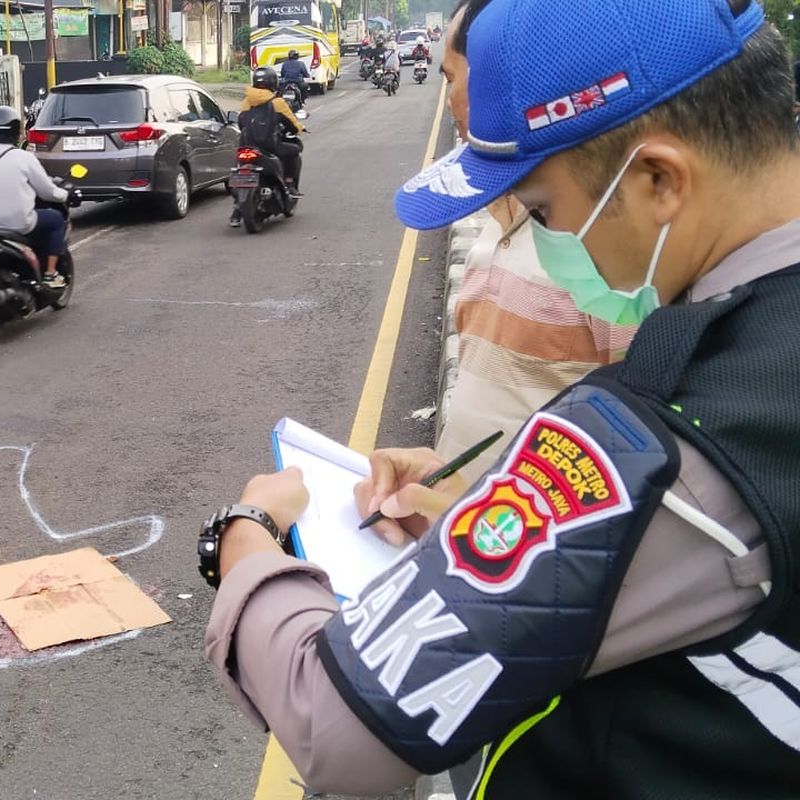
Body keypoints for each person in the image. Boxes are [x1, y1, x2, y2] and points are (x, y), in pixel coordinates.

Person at [203, 0, 800, 797]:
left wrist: (247, 540)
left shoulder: (668, 450)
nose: (548, 237)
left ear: (659, 180)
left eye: (547, 209)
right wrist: (478, 507)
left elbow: (338, 726)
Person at [435, 0, 636, 485]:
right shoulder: (499, 213)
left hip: (531, 543)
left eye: (450, 78)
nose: (447, 102)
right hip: (464, 526)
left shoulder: (598, 245)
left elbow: (631, 440)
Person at [0, 106, 71, 289]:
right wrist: (64, 194)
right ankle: (50, 274)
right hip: (20, 223)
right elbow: (47, 191)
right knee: (56, 220)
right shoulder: (24, 158)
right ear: (17, 132)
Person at [229, 66, 305, 227]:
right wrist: (299, 128)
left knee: (237, 167)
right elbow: (292, 123)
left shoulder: (246, 101)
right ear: (273, 82)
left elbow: (240, 123)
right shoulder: (277, 102)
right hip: (270, 147)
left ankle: (237, 209)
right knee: (295, 151)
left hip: (247, 147)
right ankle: (290, 184)